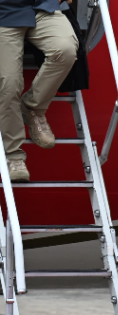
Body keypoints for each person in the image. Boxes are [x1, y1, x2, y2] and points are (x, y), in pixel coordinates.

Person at [1, 0, 78, 182]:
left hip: (43, 6)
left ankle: (32, 107)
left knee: (65, 50)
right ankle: (14, 155)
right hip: (3, 13)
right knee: (9, 83)